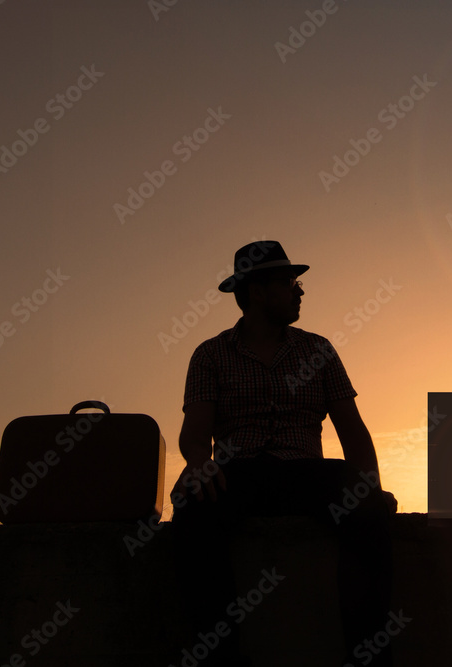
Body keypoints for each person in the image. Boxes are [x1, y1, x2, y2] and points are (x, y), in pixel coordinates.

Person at [171, 240, 397, 667]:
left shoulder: (319, 350)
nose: (300, 291)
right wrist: (200, 464)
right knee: (191, 506)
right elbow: (195, 435)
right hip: (237, 473)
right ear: (257, 291)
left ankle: (369, 657)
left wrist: (373, 489)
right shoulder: (210, 355)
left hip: (305, 471)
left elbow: (353, 432)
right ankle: (217, 657)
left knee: (367, 509)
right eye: (289, 282)